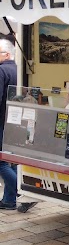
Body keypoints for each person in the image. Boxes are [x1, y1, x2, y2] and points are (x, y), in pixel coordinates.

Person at [0, 35, 17, 210]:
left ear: (6, 54)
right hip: (15, 122)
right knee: (15, 160)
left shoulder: (1, 71)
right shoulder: (18, 69)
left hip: (1, 121)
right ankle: (9, 200)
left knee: (2, 162)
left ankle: (17, 189)